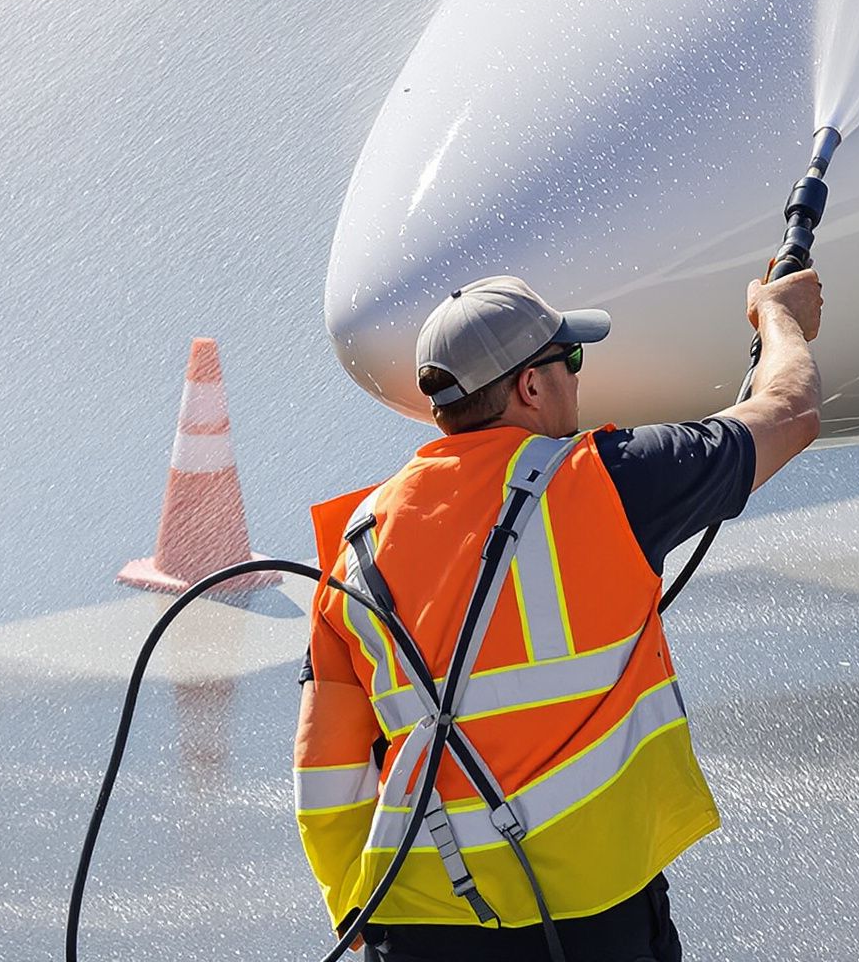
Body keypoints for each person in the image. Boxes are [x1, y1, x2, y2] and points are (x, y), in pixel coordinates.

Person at [295, 265, 824, 961]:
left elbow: (325, 773)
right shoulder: (608, 480)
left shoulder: (357, 544)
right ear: (530, 385)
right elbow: (791, 411)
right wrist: (777, 317)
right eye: (569, 358)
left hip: (419, 922)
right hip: (589, 918)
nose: (578, 376)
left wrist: (355, 906)